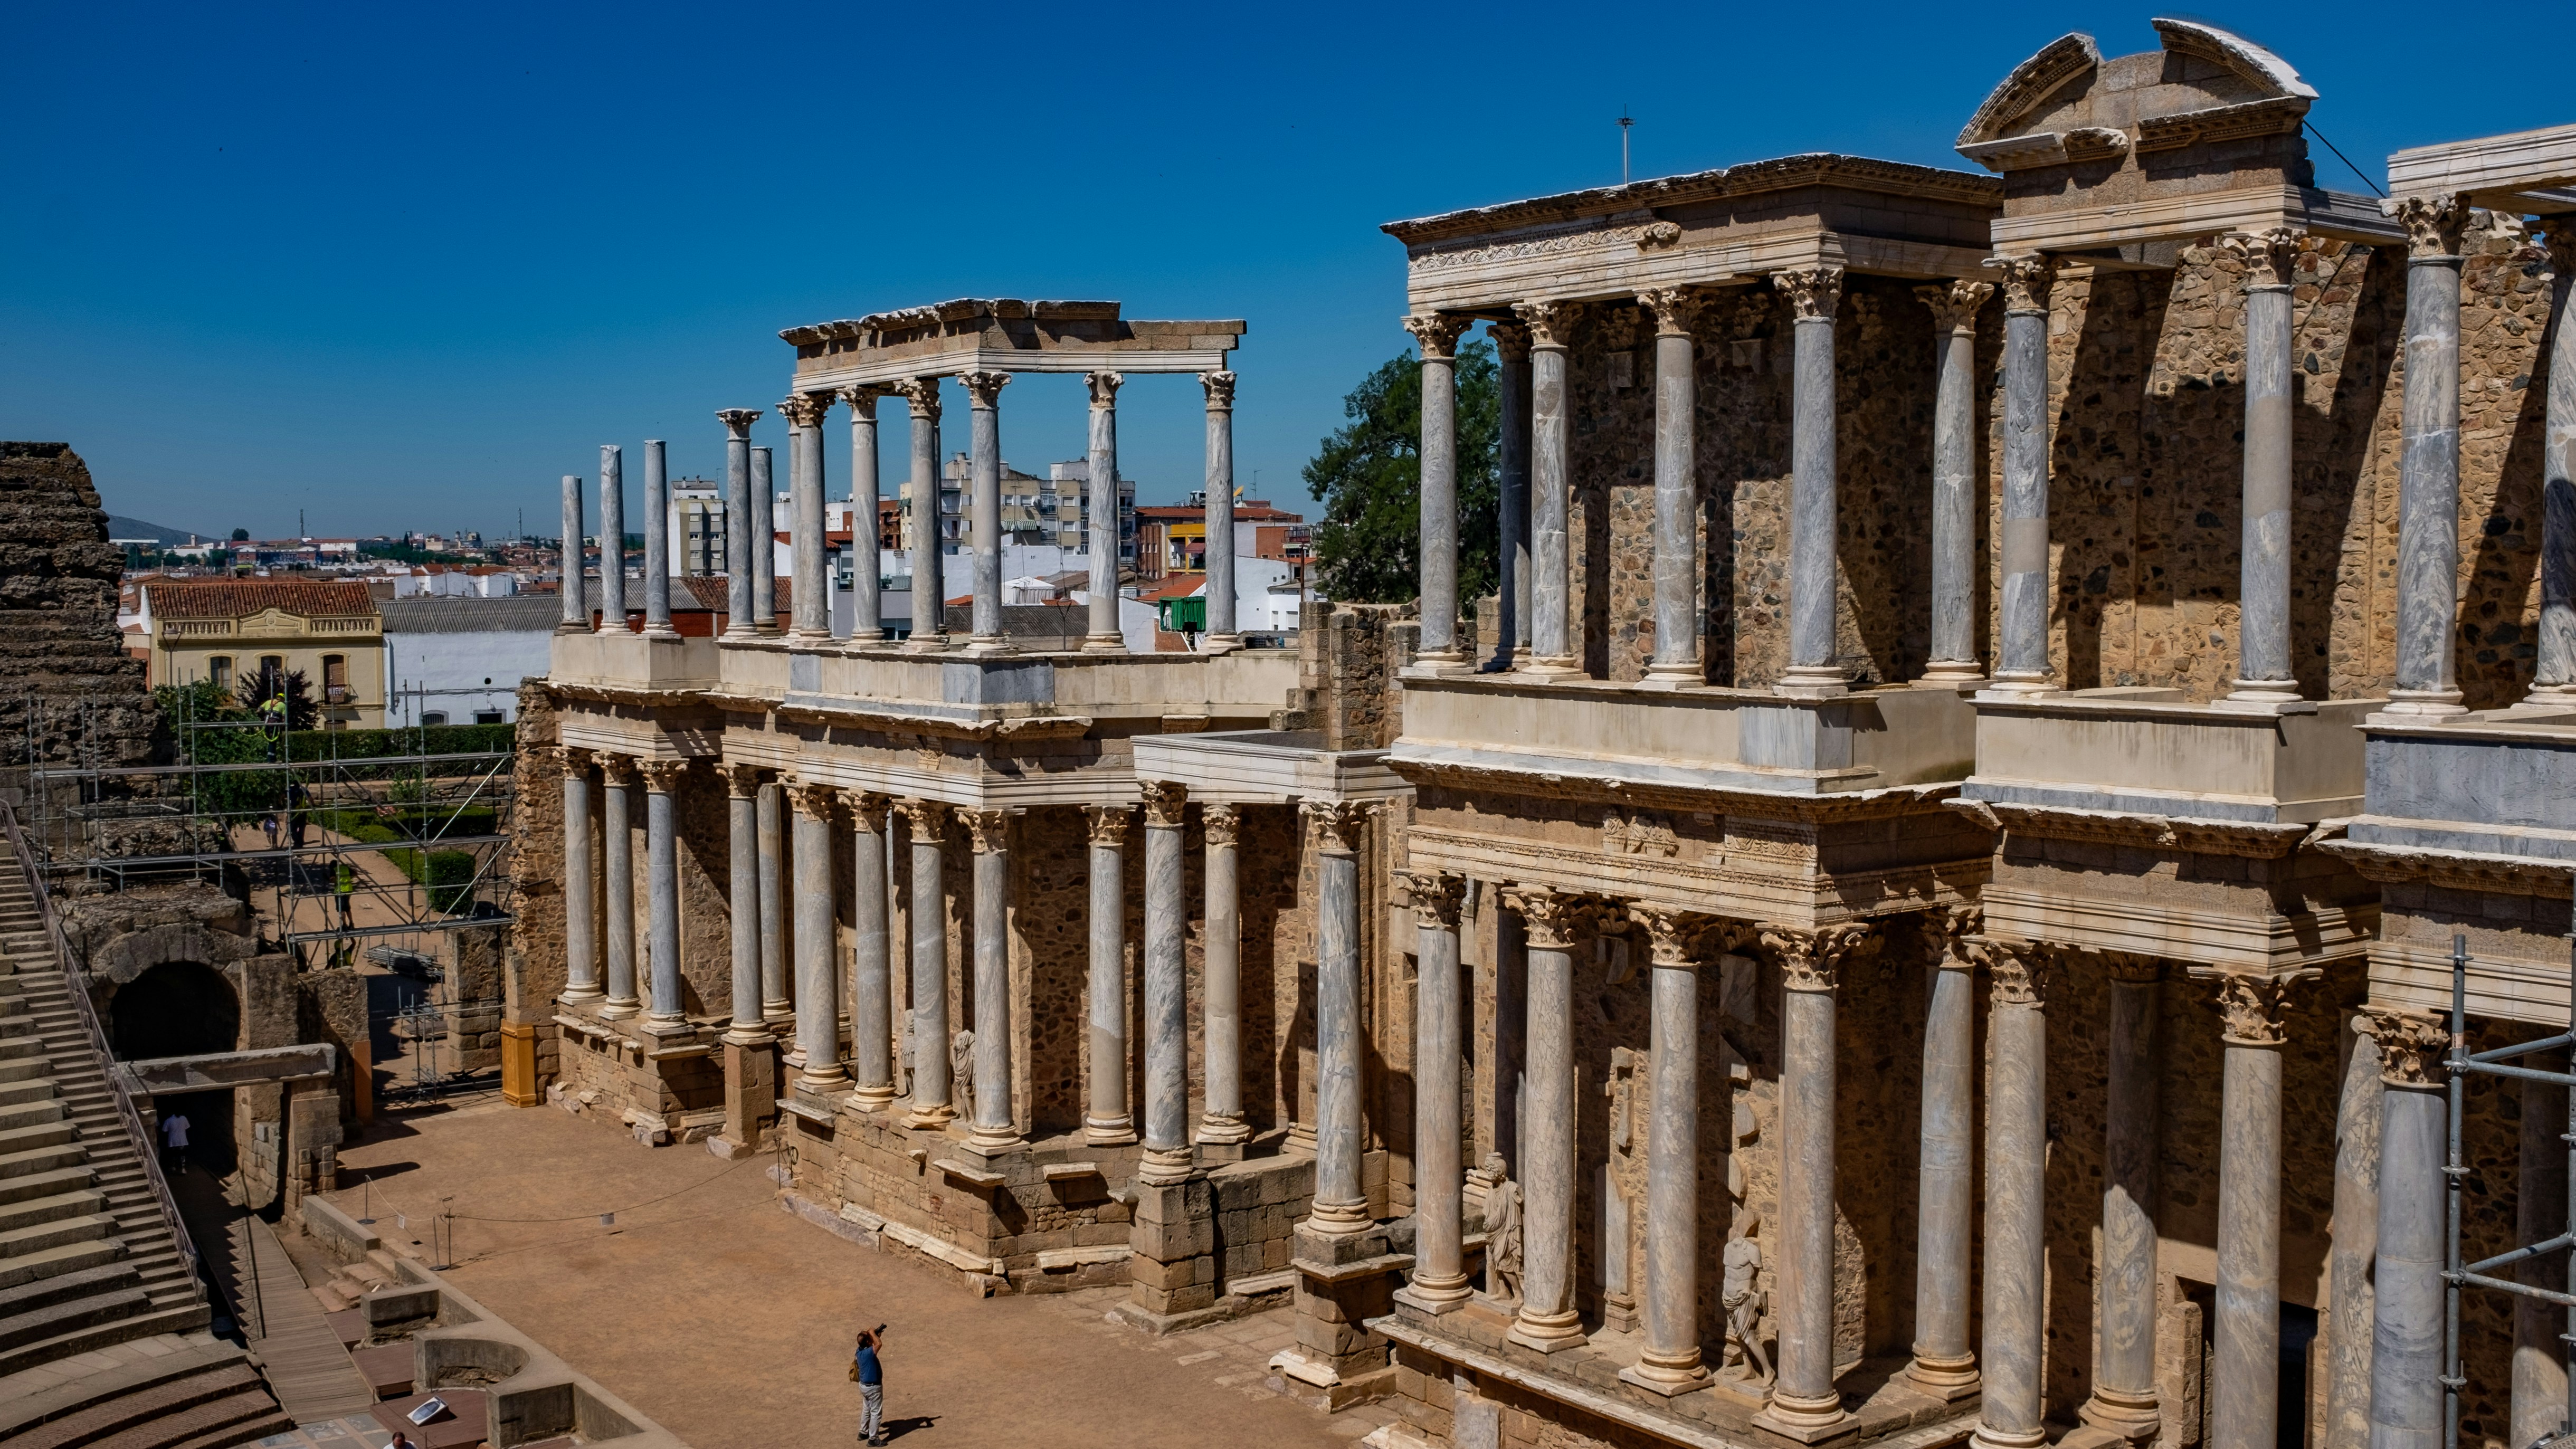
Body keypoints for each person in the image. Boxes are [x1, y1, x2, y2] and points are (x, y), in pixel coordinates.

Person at [853, 1324, 889, 1445]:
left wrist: (875, 1334)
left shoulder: (859, 1351)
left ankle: (863, 1432)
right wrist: (873, 1333)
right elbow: (878, 1344)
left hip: (864, 1386)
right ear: (868, 1341)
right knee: (876, 1413)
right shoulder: (869, 1353)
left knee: (867, 1409)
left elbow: (871, 1340)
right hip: (873, 1388)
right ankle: (873, 1439)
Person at [159, 1110, 192, 1177]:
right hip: (182, 1140)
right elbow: (187, 1127)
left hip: (173, 1141)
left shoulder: (169, 1120)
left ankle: (173, 1166)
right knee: (182, 1154)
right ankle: (183, 1169)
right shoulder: (184, 1118)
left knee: (173, 1154)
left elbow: (164, 1130)